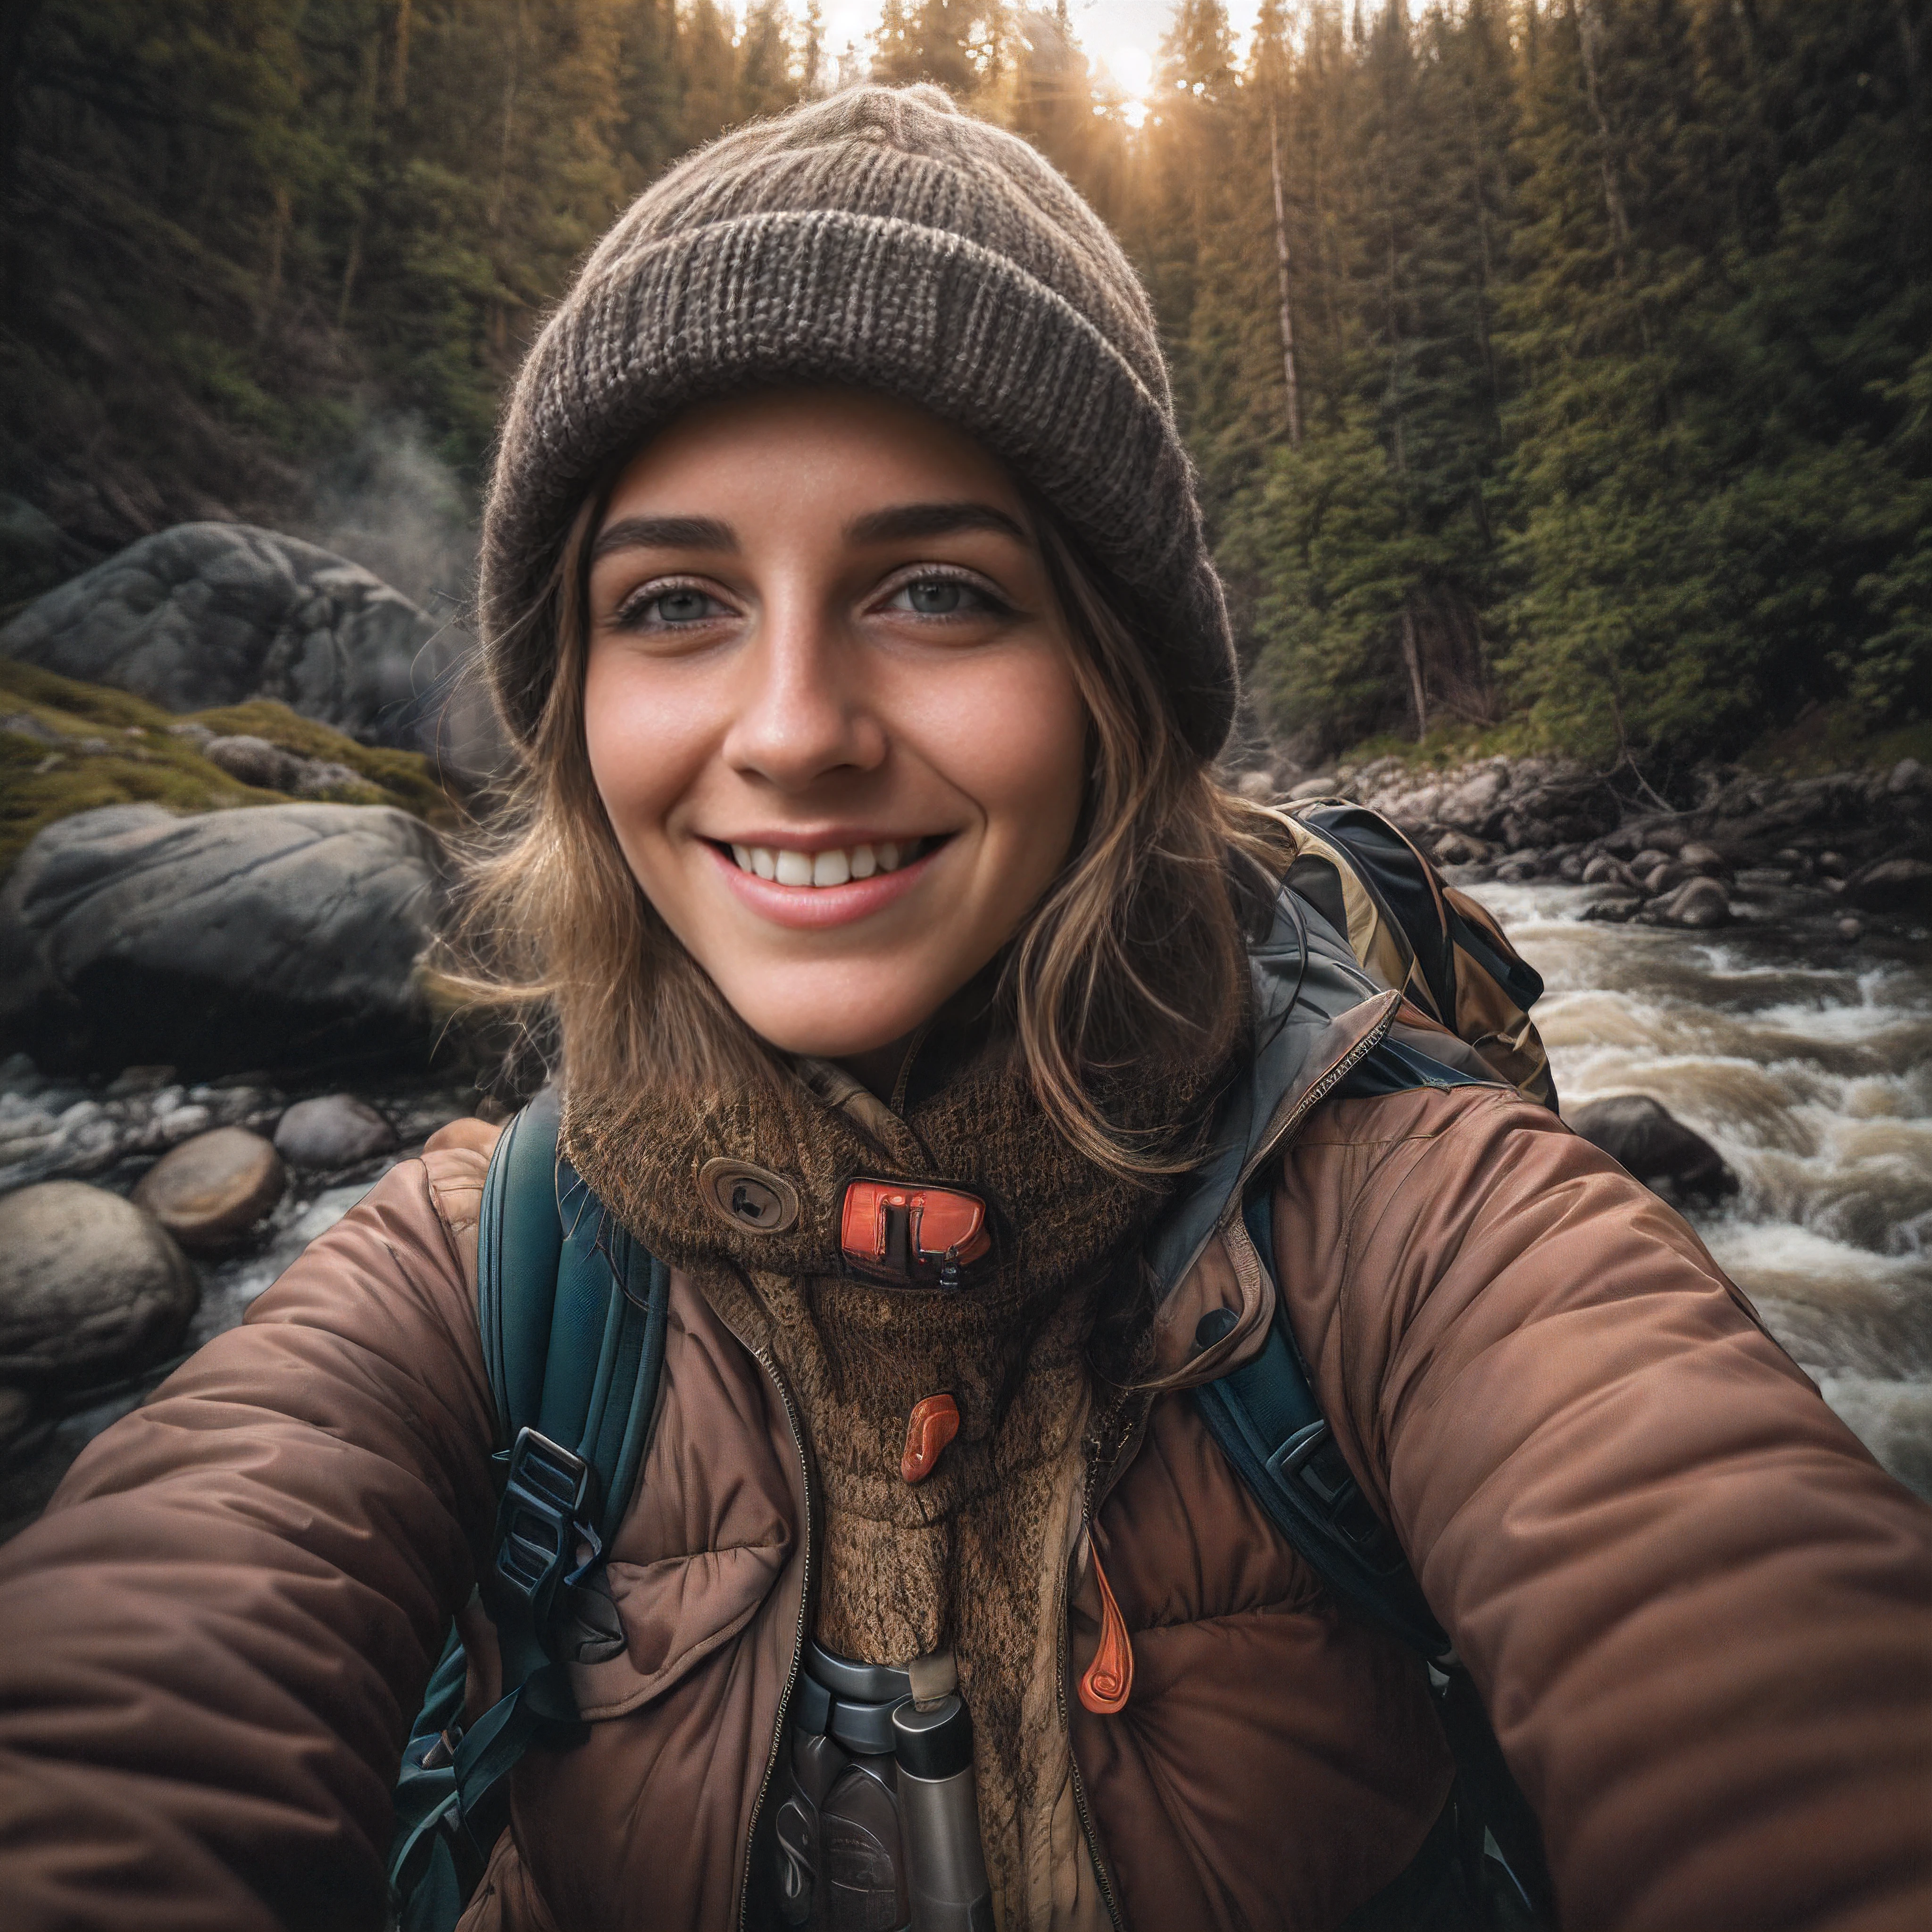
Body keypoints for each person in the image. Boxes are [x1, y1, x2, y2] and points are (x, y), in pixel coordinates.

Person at [0, 84, 1927, 1932]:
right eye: (675, 602)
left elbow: (1758, 1673)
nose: (791, 733)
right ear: (573, 701)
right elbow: (143, 1709)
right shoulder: (481, 1272)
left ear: (1111, 677)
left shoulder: (1407, 1224)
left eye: (932, 587)